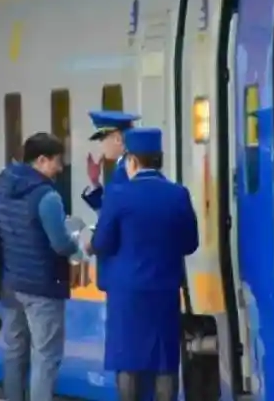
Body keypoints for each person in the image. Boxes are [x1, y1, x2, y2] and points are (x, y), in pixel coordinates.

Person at [83, 127, 199, 401]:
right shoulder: (178, 194)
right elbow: (190, 243)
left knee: (128, 358)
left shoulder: (119, 195)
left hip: (127, 293)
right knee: (164, 360)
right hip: (165, 290)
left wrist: (90, 242)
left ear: (132, 160)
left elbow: (103, 242)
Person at [0, 133, 78, 401]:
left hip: (10, 282)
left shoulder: (1, 184)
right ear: (41, 160)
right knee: (45, 356)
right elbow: (60, 244)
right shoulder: (47, 196)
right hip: (43, 286)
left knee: (15, 351)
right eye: (57, 161)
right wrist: (77, 239)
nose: (60, 168)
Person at [81, 110, 139, 294]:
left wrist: (93, 244)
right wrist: (95, 183)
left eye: (102, 139)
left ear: (117, 139)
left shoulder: (124, 172)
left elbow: (115, 215)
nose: (101, 146)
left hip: (121, 265)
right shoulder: (123, 168)